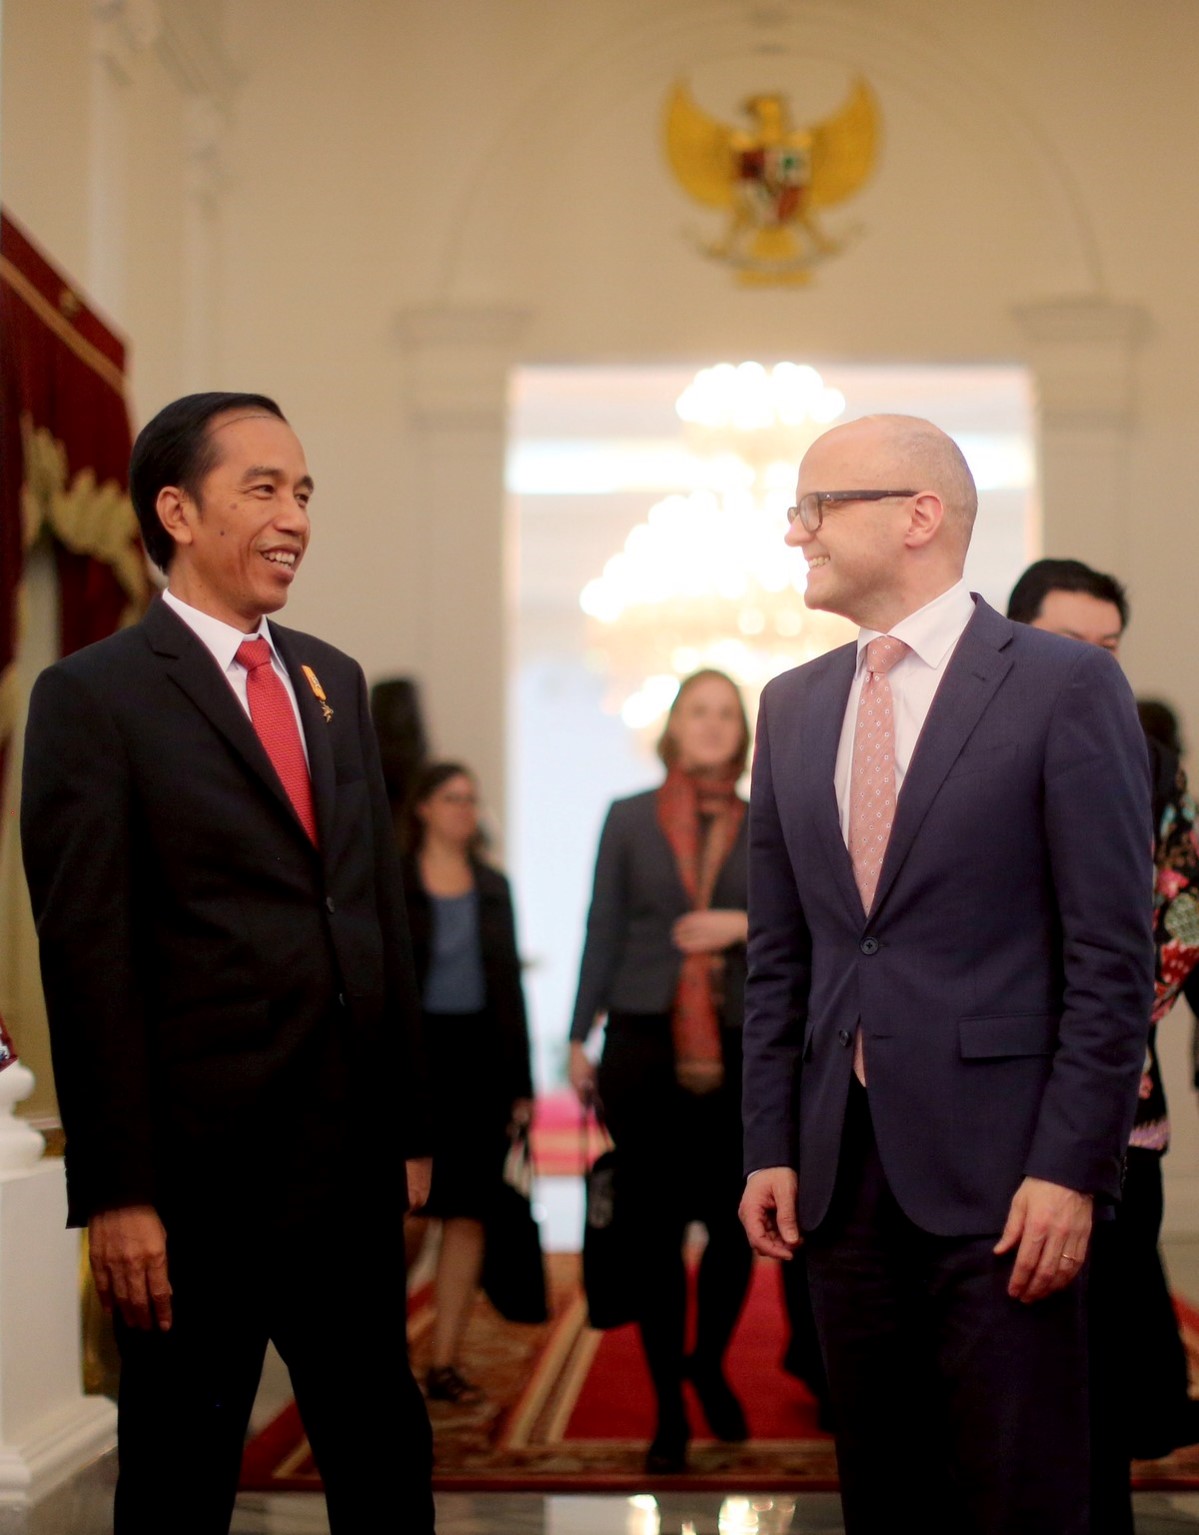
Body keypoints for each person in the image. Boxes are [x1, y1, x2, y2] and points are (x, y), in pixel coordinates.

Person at [20, 393, 435, 1535]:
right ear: (176, 509)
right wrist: (118, 1189)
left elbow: (373, 912)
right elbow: (87, 953)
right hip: (196, 1183)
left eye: (303, 491)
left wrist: (405, 1122)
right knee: (179, 1473)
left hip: (346, 1163)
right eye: (263, 487)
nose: (294, 514)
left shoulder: (331, 680)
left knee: (385, 1458)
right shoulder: (92, 696)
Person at [739, 414, 1154, 1535]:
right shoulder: (789, 707)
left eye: (818, 505)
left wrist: (1072, 1164)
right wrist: (769, 1142)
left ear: (917, 516)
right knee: (886, 1489)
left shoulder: (1063, 686)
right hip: (836, 1176)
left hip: (1007, 1176)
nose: (796, 531)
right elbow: (780, 957)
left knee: (1018, 1488)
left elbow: (1109, 955)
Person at [1008, 558, 1199, 1533]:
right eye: (1068, 645)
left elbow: (1178, 920)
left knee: (1100, 1360)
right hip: (984, 1110)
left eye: (1108, 650)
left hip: (1119, 1115)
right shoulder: (972, 748)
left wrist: (1093, 1004)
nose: (1091, 669)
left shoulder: (1152, 768)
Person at [568, 669, 755, 1474]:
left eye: (725, 714)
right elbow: (601, 923)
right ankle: (668, 1409)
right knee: (651, 1235)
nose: (711, 725)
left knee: (732, 1228)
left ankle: (706, 1360)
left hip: (746, 1046)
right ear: (674, 726)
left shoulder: (770, 821)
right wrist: (579, 1032)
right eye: (697, 711)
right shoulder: (627, 818)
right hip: (642, 1044)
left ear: (741, 733)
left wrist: (738, 923)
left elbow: (815, 917)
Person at [400, 761, 534, 1405]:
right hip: (413, 1063)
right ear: (423, 807)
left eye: (471, 799)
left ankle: (445, 1360)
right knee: (410, 1212)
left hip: (479, 1062)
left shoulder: (493, 886)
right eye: (452, 798)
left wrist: (523, 1084)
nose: (464, 810)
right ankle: (383, 1352)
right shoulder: (392, 882)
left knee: (470, 1214)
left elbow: (509, 987)